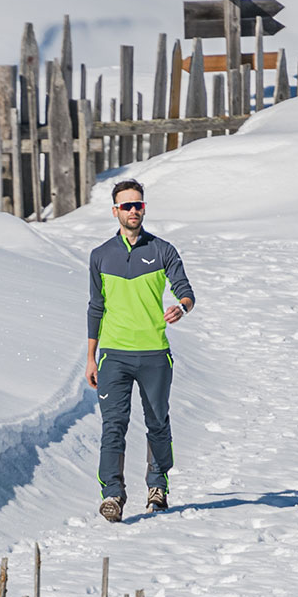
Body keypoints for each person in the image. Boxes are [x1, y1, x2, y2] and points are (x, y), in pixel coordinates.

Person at [86, 178, 195, 522]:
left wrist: (183, 306)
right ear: (115, 210)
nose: (134, 211)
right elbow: (95, 307)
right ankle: (112, 496)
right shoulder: (101, 256)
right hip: (113, 355)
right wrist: (90, 357)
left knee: (157, 422)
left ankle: (157, 486)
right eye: (127, 205)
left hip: (154, 355)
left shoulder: (163, 250)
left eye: (139, 205)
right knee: (113, 426)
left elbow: (184, 289)